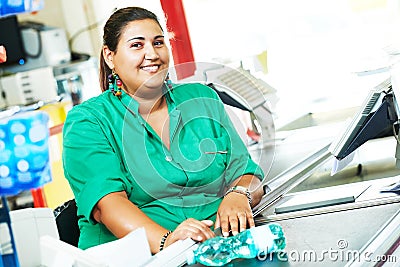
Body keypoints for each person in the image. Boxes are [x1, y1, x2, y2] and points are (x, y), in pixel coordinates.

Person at [62, 6, 265, 254]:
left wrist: (238, 194)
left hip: (216, 248)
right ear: (110, 56)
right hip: (134, 258)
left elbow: (246, 173)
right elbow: (107, 204)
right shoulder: (88, 121)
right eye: (137, 45)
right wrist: (167, 241)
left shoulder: (201, 98)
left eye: (158, 43)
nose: (152, 53)